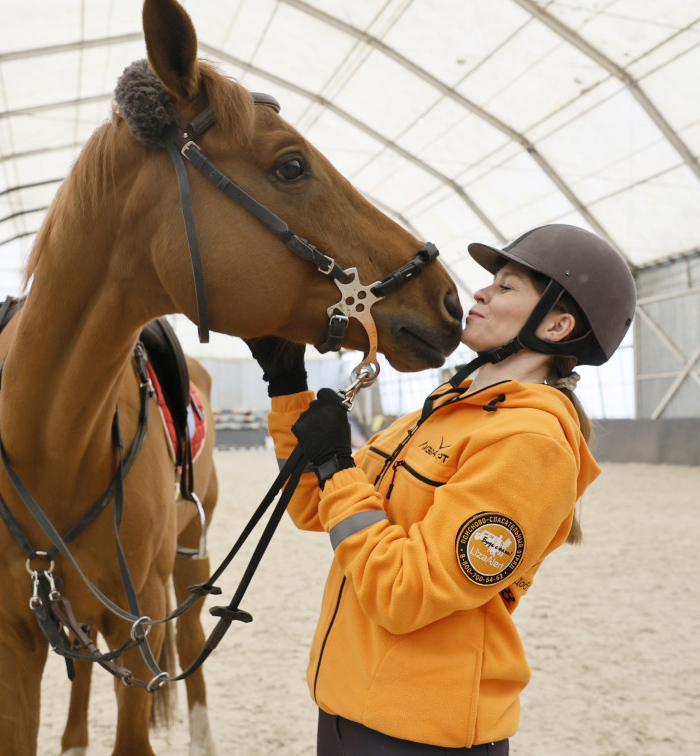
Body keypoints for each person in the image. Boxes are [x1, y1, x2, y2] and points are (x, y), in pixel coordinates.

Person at [247, 224, 636, 755]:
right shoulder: (437, 413)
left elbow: (403, 592)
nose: (480, 292)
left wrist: (338, 461)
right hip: (345, 705)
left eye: (507, 286)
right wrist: (287, 386)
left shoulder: (530, 443)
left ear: (557, 324)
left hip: (422, 733)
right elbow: (313, 506)